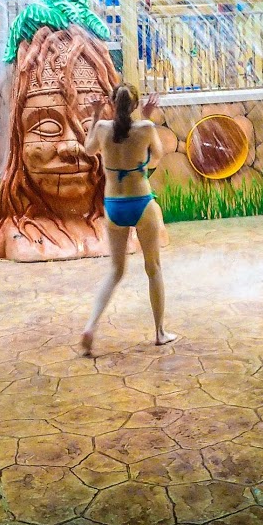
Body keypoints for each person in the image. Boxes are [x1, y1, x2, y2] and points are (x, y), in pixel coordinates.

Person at [80, 82, 175, 355]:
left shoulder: (102, 129)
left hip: (114, 205)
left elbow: (89, 150)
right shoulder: (145, 128)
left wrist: (95, 115)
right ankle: (159, 332)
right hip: (141, 202)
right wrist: (146, 116)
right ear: (134, 105)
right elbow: (155, 159)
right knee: (153, 267)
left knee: (116, 270)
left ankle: (90, 326)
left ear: (111, 103)